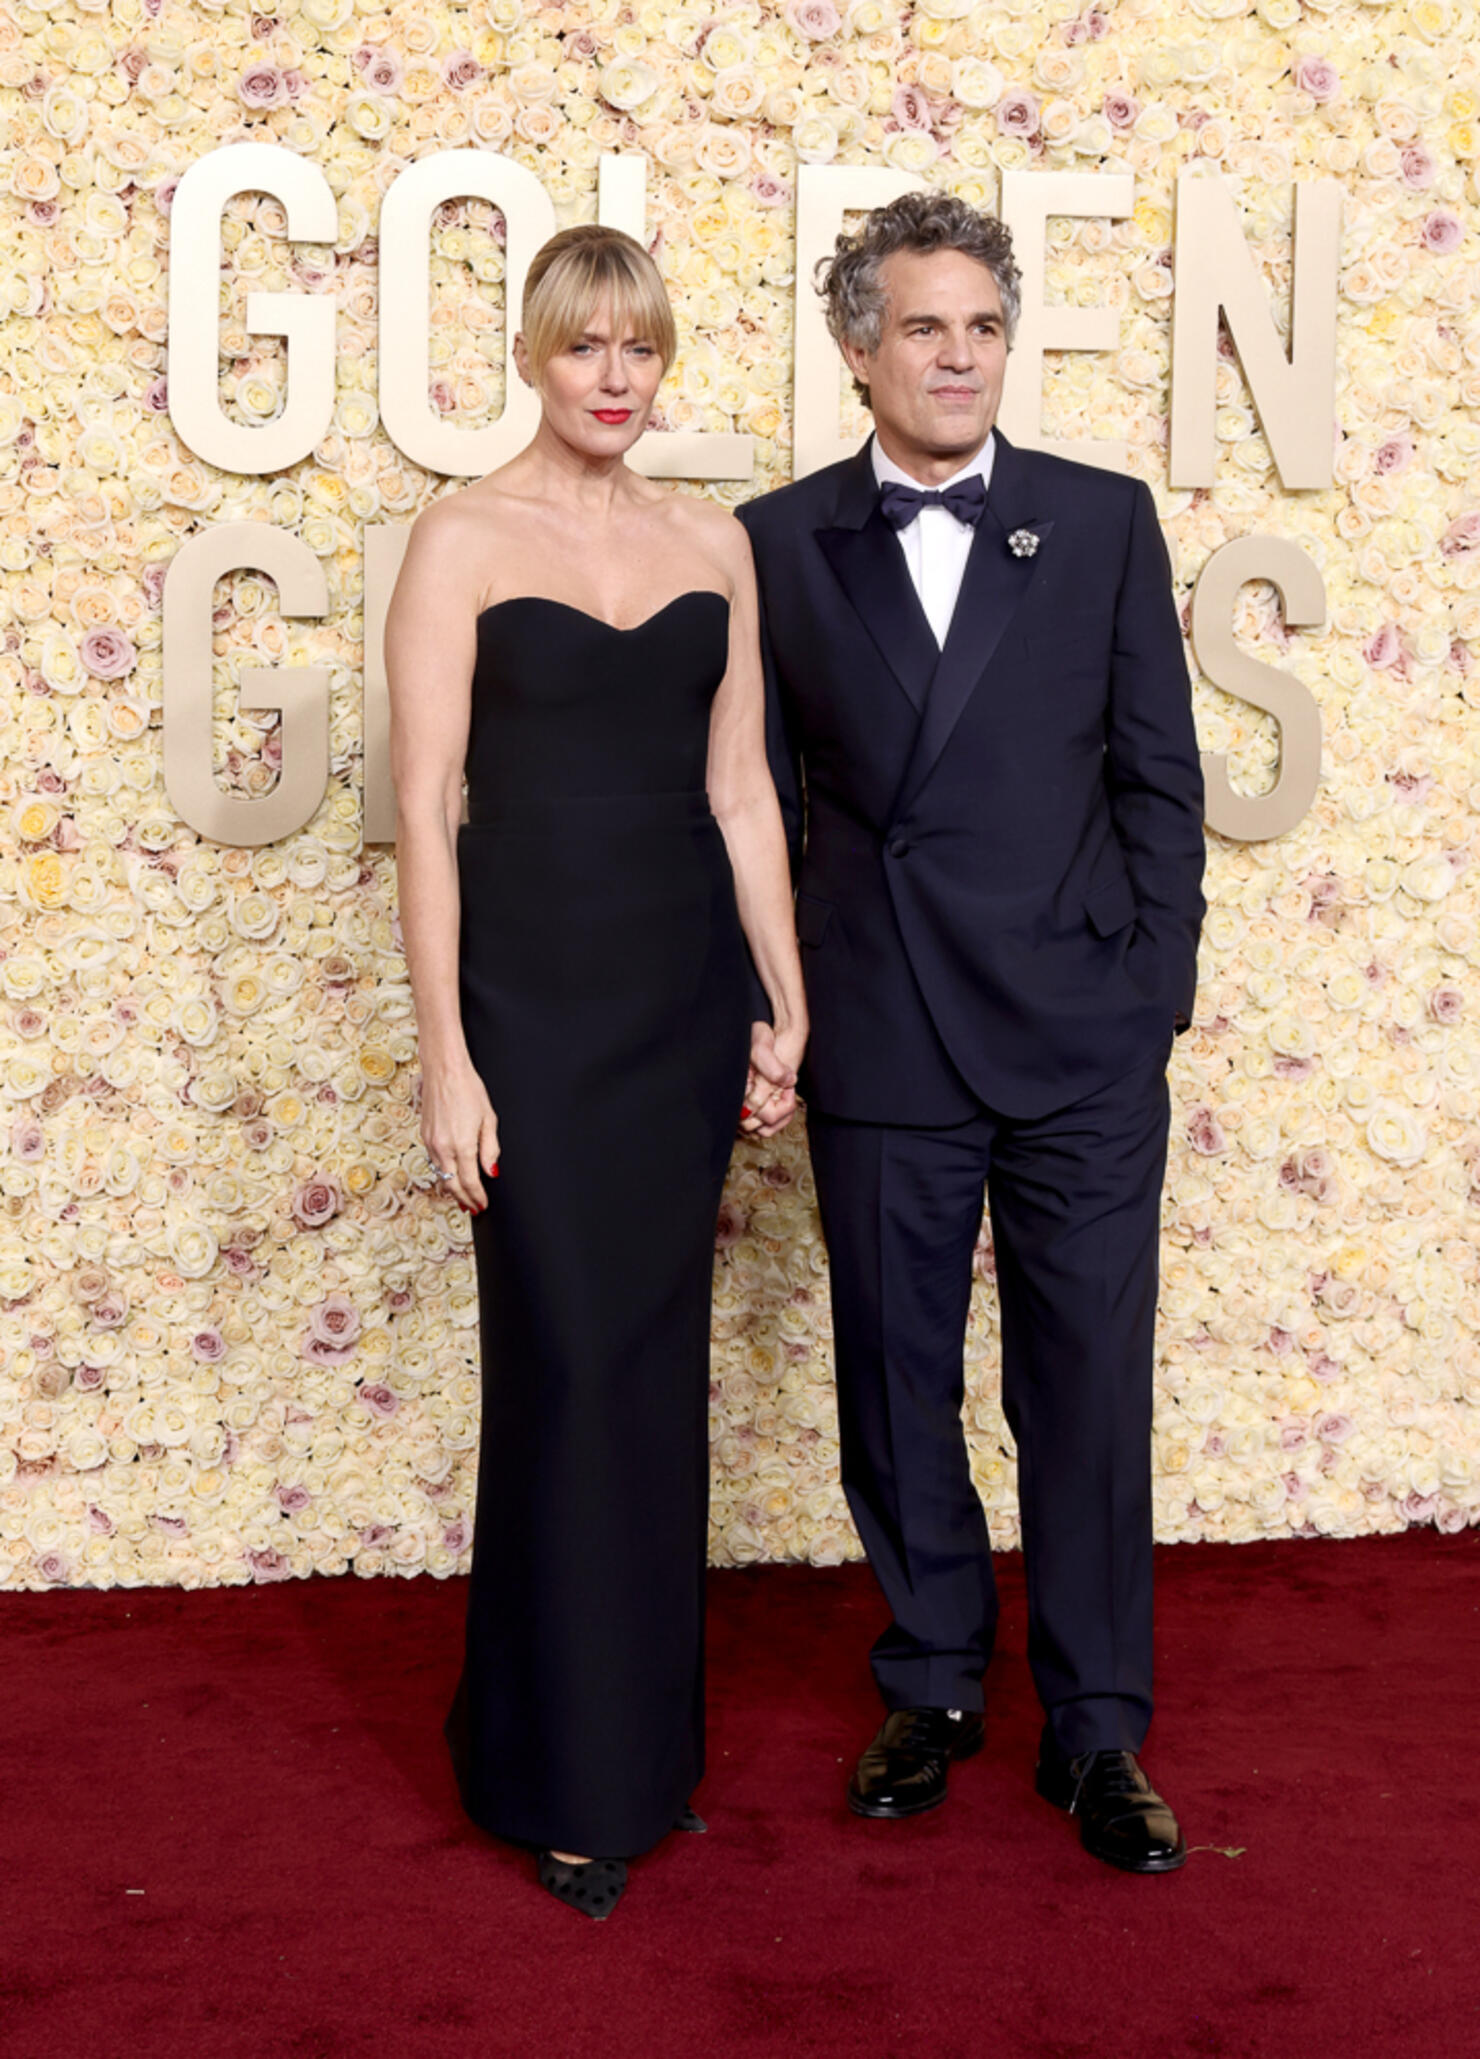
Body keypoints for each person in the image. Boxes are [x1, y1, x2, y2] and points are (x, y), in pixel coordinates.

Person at [737, 193, 1206, 1874]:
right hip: (882, 1030)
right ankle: (931, 1681)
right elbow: (755, 807)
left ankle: (1098, 1734)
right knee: (896, 1378)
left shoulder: (1099, 522)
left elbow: (1159, 775)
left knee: (1084, 1389)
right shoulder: (774, 542)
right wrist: (771, 1010)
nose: (957, 355)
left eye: (982, 327)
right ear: (857, 346)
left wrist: (1153, 990)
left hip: (1082, 1030)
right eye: (923, 326)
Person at [386, 224, 807, 1920]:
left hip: (680, 1002)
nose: (615, 378)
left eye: (640, 348)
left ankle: (639, 1760)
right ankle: (551, 1773)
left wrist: (786, 998)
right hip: (535, 1017)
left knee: (650, 1373)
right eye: (583, 349)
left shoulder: (715, 542)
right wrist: (445, 1058)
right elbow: (422, 811)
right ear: (533, 360)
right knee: (560, 1369)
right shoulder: (460, 538)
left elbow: (741, 794)